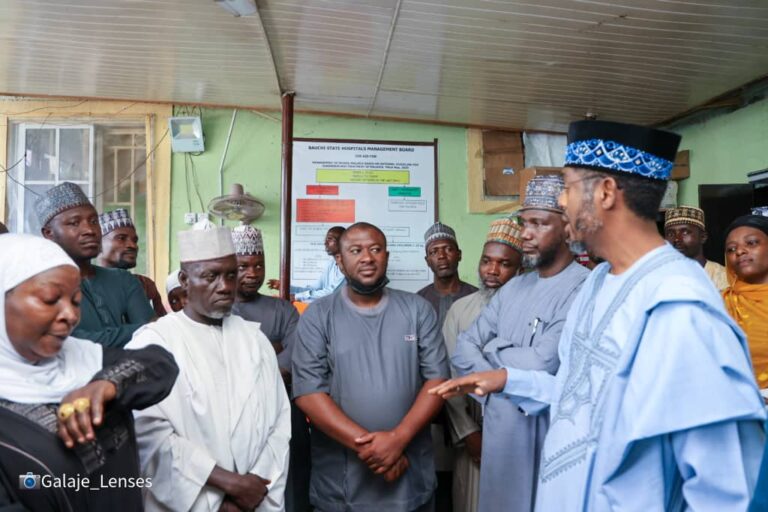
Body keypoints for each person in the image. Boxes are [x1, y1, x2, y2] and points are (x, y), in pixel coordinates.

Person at [432, 120, 766, 511]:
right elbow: (582, 396)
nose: (561, 202)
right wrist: (508, 378)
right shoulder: (599, 283)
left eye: (570, 188)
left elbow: (727, 486)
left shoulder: (680, 305)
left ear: (606, 192)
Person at [0, 234, 178, 511]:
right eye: (50, 299)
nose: (70, 315)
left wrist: (105, 385)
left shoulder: (82, 358)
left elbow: (160, 365)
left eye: (75, 301)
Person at [127, 225, 291, 512]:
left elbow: (279, 424)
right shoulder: (154, 343)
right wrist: (226, 489)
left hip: (255, 500)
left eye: (231, 274)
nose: (226, 286)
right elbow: (147, 435)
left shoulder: (255, 340)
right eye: (211, 276)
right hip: (191, 501)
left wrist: (253, 489)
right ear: (184, 280)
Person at [451, 175, 589, 512]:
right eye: (523, 222)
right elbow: (462, 349)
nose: (525, 233)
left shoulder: (584, 288)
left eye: (539, 224)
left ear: (568, 227)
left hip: (548, 437)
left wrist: (493, 350)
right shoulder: (514, 288)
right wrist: (505, 367)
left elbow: (545, 364)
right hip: (500, 437)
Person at [292, 222, 450, 512]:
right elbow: (308, 393)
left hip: (409, 474)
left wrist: (398, 440)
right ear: (339, 261)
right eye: (356, 250)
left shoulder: (417, 309)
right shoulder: (317, 316)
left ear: (386, 257)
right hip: (341, 485)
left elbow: (437, 380)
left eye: (375, 249)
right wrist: (374, 449)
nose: (367, 257)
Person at [441, 216, 523, 512]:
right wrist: (469, 433)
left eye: (504, 264)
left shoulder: (531, 310)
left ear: (520, 268)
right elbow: (449, 375)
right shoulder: (461, 310)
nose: (492, 270)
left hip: (520, 435)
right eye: (487, 261)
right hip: (474, 434)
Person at [230, 224, 310, 512]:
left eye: (259, 265)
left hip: (285, 409)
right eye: (243, 266)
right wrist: (271, 346)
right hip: (234, 415)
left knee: (291, 485)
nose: (253, 273)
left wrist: (257, 365)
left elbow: (298, 353)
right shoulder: (221, 309)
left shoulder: (283, 310)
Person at [35, 182, 155, 347]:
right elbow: (72, 344)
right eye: (74, 223)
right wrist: (138, 331)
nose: (89, 230)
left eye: (93, 221)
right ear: (49, 233)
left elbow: (154, 336)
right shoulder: (38, 287)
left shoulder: (123, 280)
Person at [722, 209, 768, 392]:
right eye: (731, 249)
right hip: (736, 407)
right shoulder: (719, 304)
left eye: (751, 243)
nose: (739, 251)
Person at [98, 208, 166, 317]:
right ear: (98, 244)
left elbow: (161, 327)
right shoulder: (87, 286)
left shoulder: (145, 284)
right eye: (121, 238)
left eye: (135, 240)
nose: (132, 245)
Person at [418, 222, 478, 329]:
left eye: (448, 249)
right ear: (427, 261)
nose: (441, 256)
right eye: (434, 252)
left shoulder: (478, 298)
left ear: (459, 255)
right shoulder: (418, 301)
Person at [268, 226, 346, 303]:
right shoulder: (332, 263)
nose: (325, 243)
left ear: (342, 242)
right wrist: (286, 287)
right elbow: (316, 288)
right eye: (326, 239)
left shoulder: (348, 266)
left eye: (329, 239)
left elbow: (331, 293)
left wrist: (296, 297)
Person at [664, 205, 728, 290]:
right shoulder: (658, 276)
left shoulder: (723, 277)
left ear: (703, 237)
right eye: (670, 234)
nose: (676, 239)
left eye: (685, 232)